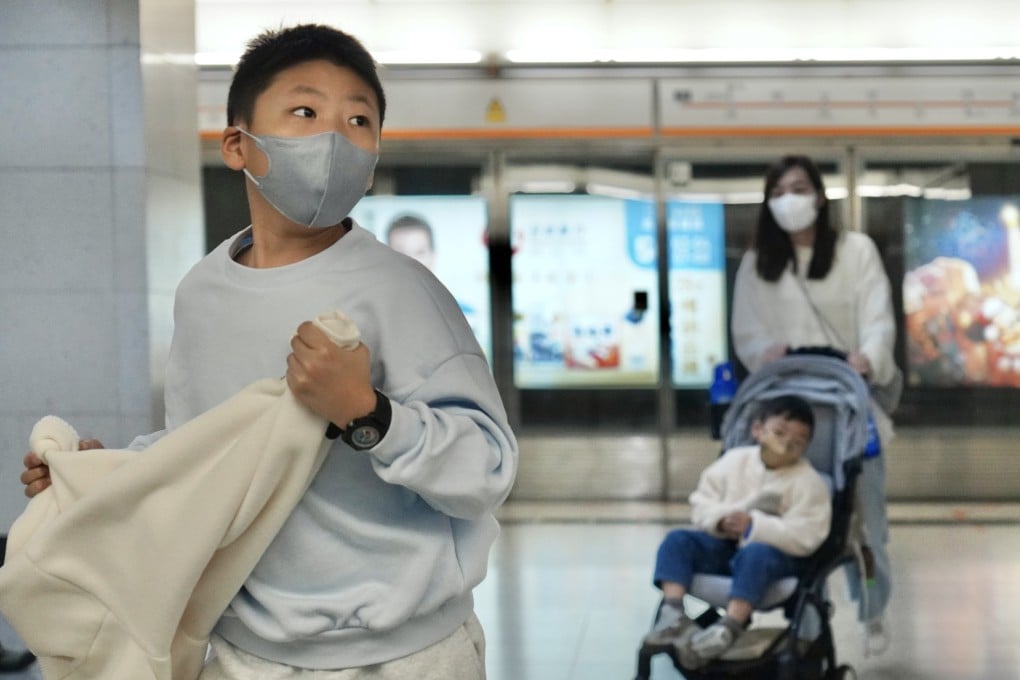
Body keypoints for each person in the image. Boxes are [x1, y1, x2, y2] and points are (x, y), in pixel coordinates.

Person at [20, 23, 517, 679]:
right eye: (306, 111)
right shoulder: (203, 292)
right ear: (238, 145)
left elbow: (488, 468)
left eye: (359, 120)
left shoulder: (406, 290)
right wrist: (103, 476)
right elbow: (203, 448)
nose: (336, 138)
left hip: (406, 655)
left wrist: (368, 414)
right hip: (245, 654)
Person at [729, 154, 897, 653]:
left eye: (798, 188)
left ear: (820, 196)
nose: (789, 200)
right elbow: (747, 330)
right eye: (778, 192)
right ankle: (802, 624)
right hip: (786, 418)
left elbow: (878, 317)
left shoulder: (856, 251)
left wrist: (870, 355)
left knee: (867, 522)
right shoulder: (759, 264)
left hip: (849, 412)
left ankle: (873, 612)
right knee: (793, 521)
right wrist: (765, 353)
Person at [643, 395, 831, 669]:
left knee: (756, 552)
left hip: (775, 559)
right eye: (779, 433)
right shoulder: (733, 462)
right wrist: (721, 521)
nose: (786, 444)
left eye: (798, 441)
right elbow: (702, 503)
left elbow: (807, 535)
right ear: (758, 430)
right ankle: (673, 613)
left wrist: (755, 526)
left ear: (806, 447)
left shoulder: (809, 482)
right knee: (677, 541)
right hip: (724, 548)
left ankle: (730, 625)